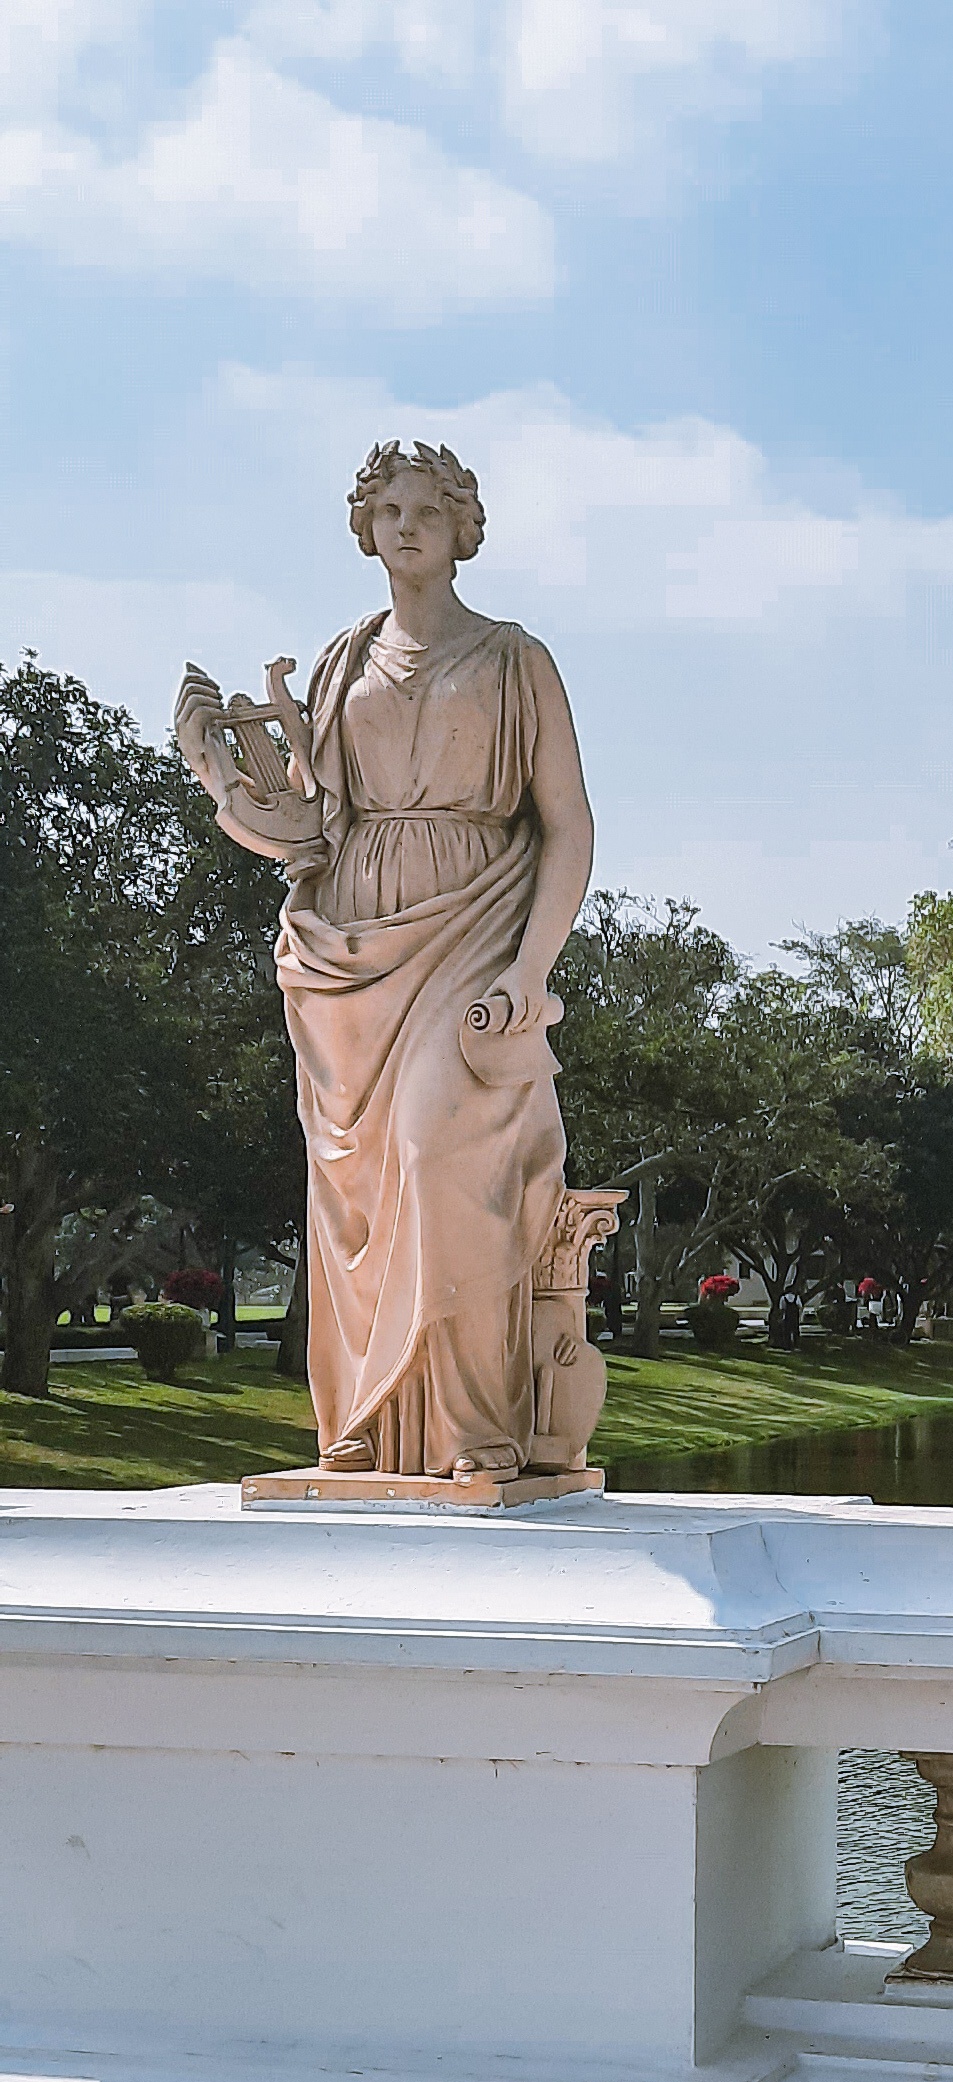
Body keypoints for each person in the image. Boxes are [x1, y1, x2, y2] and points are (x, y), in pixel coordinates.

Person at [176, 441, 594, 1478]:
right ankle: (361, 1421)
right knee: (354, 1190)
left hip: (472, 922)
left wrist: (530, 968)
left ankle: (469, 1429)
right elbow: (314, 827)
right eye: (390, 509)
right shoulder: (341, 661)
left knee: (436, 1154)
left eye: (429, 511)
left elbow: (570, 825)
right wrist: (228, 789)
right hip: (353, 942)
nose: (407, 525)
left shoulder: (514, 659)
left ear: (462, 531)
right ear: (367, 527)